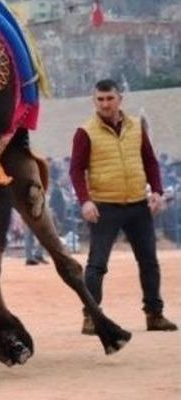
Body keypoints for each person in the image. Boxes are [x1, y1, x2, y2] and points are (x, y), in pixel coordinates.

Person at [70, 79, 177, 334]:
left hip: (138, 205)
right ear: (94, 101)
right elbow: (76, 170)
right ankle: (91, 316)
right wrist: (85, 201)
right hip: (104, 206)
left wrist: (157, 191)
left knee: (149, 262)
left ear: (120, 99)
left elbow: (150, 162)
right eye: (100, 99)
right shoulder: (85, 132)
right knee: (97, 264)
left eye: (110, 98)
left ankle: (154, 315)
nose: (105, 104)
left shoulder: (137, 127)